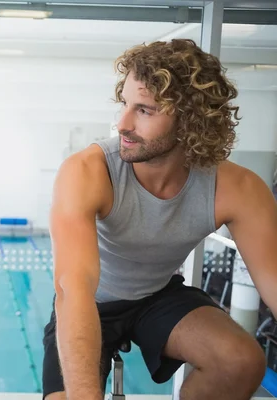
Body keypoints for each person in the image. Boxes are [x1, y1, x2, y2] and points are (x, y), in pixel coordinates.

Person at [43, 39, 277, 400]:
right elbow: (73, 289)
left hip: (157, 297)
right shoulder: (88, 171)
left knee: (242, 361)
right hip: (90, 304)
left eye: (145, 110)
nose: (122, 123)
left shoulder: (238, 188)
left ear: (191, 120)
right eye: (124, 104)